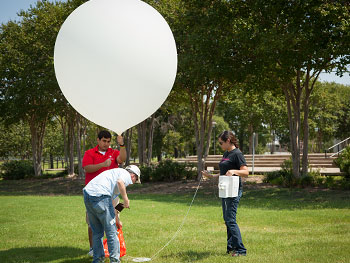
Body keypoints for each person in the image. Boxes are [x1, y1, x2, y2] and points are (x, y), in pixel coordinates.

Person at [202, 130, 248, 257]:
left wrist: (234, 171)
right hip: (224, 189)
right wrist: (210, 176)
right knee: (227, 219)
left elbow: (246, 172)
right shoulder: (226, 153)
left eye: (221, 142)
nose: (220, 145)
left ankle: (241, 250)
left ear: (228, 141)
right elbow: (223, 173)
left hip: (233, 190)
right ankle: (231, 247)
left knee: (231, 219)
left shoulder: (237, 154)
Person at [83, 165, 141, 263]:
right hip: (100, 196)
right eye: (135, 180)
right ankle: (115, 261)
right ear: (133, 176)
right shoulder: (125, 174)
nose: (132, 183)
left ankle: (98, 260)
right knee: (112, 233)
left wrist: (117, 221)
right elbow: (120, 183)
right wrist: (126, 200)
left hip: (88, 194)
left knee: (97, 232)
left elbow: (113, 206)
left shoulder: (113, 177)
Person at [82, 130, 126, 256]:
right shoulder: (89, 153)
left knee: (115, 218)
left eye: (108, 141)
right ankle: (93, 249)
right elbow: (87, 167)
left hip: (112, 194)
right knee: (92, 223)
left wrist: (121, 145)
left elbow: (122, 159)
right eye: (104, 141)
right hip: (94, 195)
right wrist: (102, 164)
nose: (106, 144)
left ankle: (114, 249)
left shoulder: (114, 152)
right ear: (98, 140)